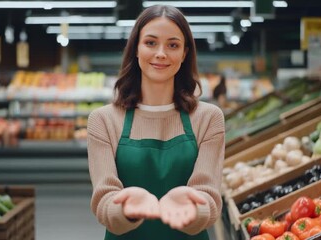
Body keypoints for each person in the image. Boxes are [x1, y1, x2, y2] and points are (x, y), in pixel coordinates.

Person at [87, 4, 225, 240]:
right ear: (136, 50)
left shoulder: (208, 118)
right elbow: (104, 200)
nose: (161, 53)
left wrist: (193, 208)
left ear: (184, 53)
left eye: (173, 45)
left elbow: (209, 197)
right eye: (151, 43)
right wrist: (126, 208)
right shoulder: (104, 120)